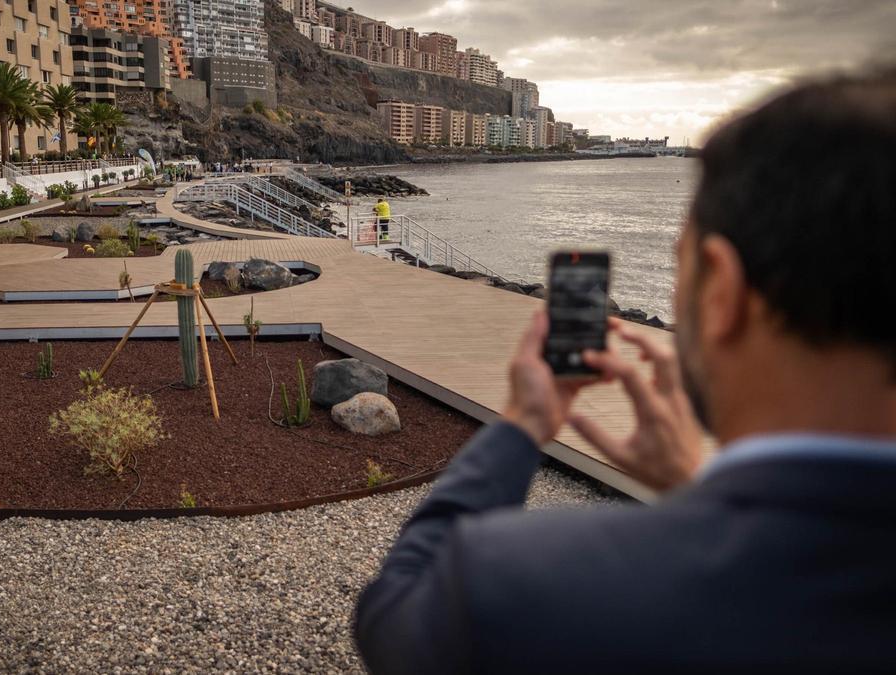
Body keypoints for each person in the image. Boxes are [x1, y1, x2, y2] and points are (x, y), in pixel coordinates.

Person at [355, 69, 896, 673]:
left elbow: (393, 616)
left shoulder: (525, 584)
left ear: (722, 293)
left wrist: (522, 425)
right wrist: (695, 491)